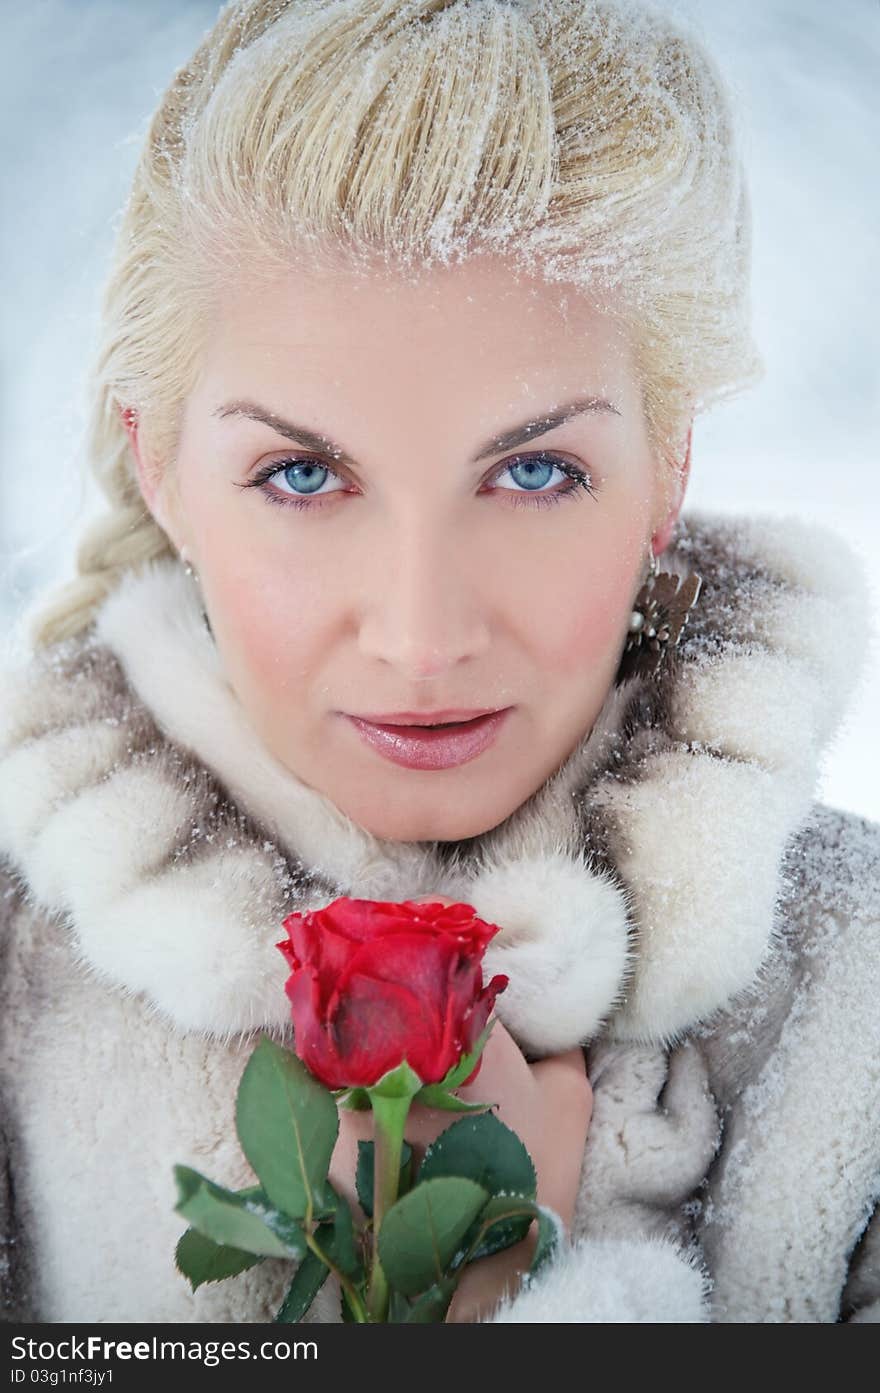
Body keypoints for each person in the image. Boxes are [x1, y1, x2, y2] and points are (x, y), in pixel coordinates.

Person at [1, 0, 877, 1325]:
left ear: (670, 465)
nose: (420, 636)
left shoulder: (857, 984)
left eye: (534, 471)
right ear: (160, 464)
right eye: (302, 473)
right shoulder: (18, 977)